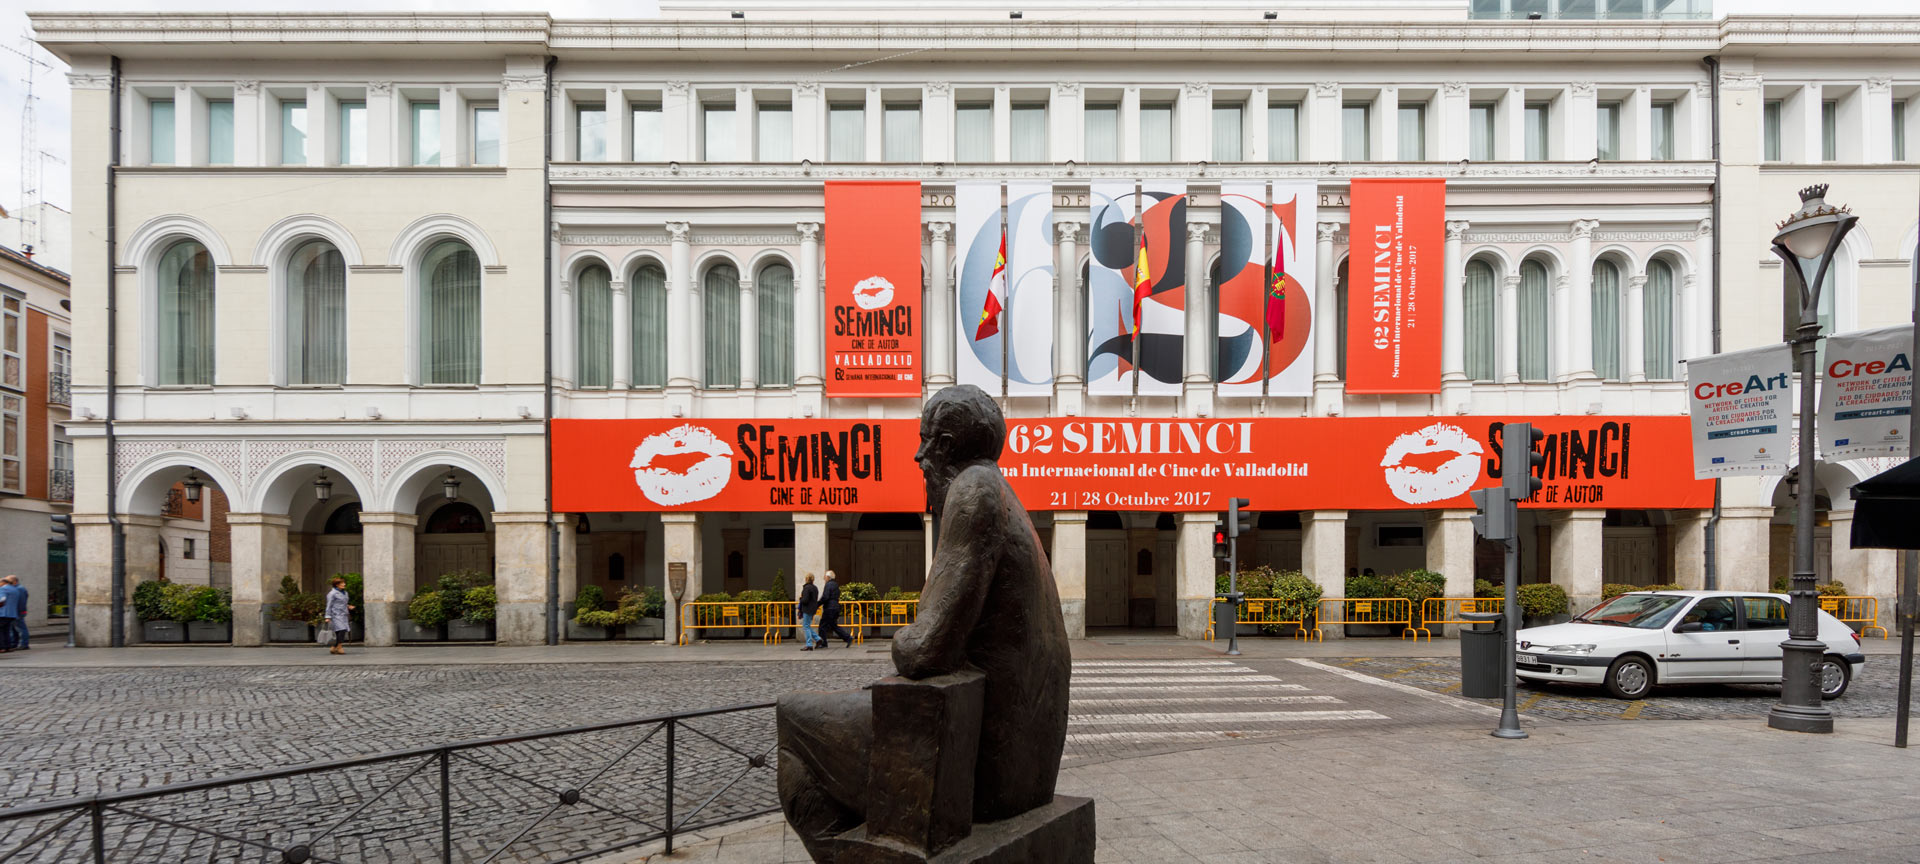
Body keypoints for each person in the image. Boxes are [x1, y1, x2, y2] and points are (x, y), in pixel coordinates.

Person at [776, 385, 1071, 862]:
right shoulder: (1003, 492)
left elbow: (923, 649)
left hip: (988, 772)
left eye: (925, 440)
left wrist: (902, 635)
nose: (917, 455)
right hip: (1027, 768)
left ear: (947, 445)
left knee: (792, 718)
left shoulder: (972, 491)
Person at [816, 570, 851, 649]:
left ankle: (823, 643)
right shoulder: (835, 584)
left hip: (829, 608)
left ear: (828, 577)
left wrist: (817, 604)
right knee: (834, 625)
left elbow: (825, 597)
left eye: (825, 577)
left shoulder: (828, 585)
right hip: (835, 607)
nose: (824, 578)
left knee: (822, 626)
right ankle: (847, 638)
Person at [322, 577, 354, 655]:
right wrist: (327, 616)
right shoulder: (332, 594)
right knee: (342, 629)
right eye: (342, 583)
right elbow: (329, 605)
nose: (344, 584)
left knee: (339, 631)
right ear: (336, 585)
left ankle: (334, 647)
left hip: (343, 614)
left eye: (344, 583)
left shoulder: (345, 592)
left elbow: (342, 602)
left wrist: (348, 606)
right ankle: (339, 647)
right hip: (335, 614)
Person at [797, 573, 821, 651]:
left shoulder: (807, 588)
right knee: (807, 626)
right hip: (813, 609)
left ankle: (809, 644)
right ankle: (818, 639)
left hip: (807, 609)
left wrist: (801, 599)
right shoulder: (815, 588)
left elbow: (805, 600)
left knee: (806, 626)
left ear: (806, 579)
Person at [0, 575, 21, 653]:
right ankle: (8, 646)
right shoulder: (15, 589)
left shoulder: (3, 589)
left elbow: (2, 599)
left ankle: (2, 647)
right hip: (12, 614)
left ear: (3, 582)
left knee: (1, 631)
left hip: (3, 613)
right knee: (6, 630)